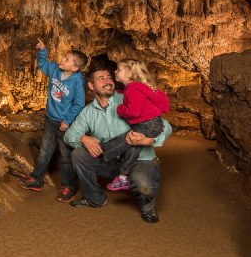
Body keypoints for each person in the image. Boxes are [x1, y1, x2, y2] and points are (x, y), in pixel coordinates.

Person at [64, 63, 172, 223]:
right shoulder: (88, 112)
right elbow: (69, 135)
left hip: (140, 160)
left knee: (143, 183)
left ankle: (147, 207)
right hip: (111, 161)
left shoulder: (129, 97)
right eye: (101, 79)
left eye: (109, 77)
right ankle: (95, 198)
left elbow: (165, 125)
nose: (108, 80)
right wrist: (83, 138)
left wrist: (149, 139)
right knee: (78, 154)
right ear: (91, 85)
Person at [18, 39, 87, 202]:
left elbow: (79, 104)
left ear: (75, 68)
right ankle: (37, 179)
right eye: (64, 57)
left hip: (64, 125)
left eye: (67, 59)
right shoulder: (55, 70)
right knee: (45, 152)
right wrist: (43, 50)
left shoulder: (77, 81)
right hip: (50, 120)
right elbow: (42, 64)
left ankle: (68, 186)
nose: (62, 59)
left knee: (65, 156)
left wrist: (67, 121)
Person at [101, 58, 170, 191]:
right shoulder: (138, 87)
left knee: (126, 139)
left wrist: (120, 108)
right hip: (154, 123)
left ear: (129, 74)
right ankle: (123, 177)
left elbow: (133, 111)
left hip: (147, 124)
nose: (115, 71)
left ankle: (104, 151)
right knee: (133, 147)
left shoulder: (132, 88)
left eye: (119, 69)